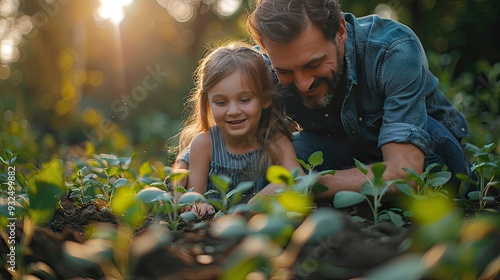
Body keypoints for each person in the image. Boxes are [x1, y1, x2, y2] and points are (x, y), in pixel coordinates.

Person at [246, 0, 470, 200]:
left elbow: (406, 172)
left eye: (313, 64)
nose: (303, 84)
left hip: (419, 147)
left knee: (440, 161)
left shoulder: (393, 50)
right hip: (339, 145)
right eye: (285, 71)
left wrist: (306, 184)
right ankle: (358, 192)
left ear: (341, 31)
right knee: (271, 159)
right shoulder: (262, 68)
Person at [171, 42, 304, 215]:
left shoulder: (275, 141)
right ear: (208, 104)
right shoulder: (205, 144)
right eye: (221, 102)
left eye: (245, 100)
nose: (233, 111)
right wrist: (198, 205)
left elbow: (296, 177)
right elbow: (194, 194)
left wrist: (255, 204)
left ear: (265, 99)